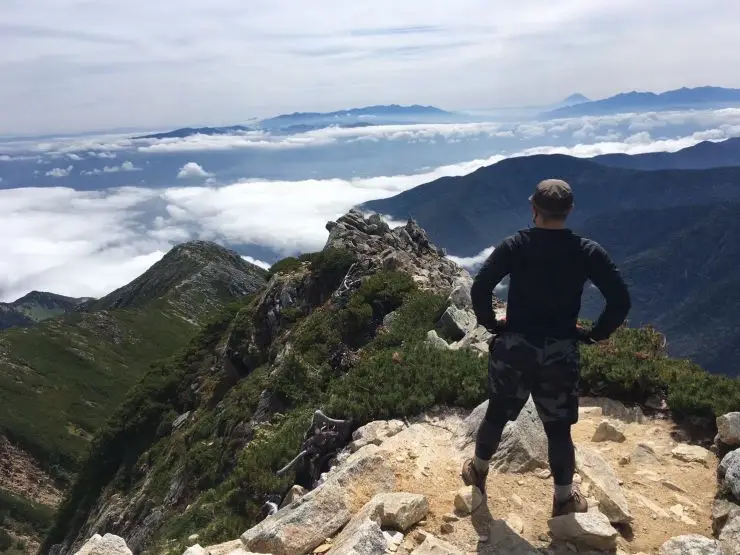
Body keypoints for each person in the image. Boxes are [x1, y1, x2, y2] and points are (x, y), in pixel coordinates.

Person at [461, 178, 631, 517]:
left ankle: (477, 471)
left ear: (533, 209)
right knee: (557, 429)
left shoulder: (515, 245)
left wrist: (493, 324)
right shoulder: (587, 251)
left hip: (515, 347)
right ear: (569, 210)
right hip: (560, 351)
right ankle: (563, 499)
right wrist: (595, 334)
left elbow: (480, 287)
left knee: (497, 413)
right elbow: (620, 299)